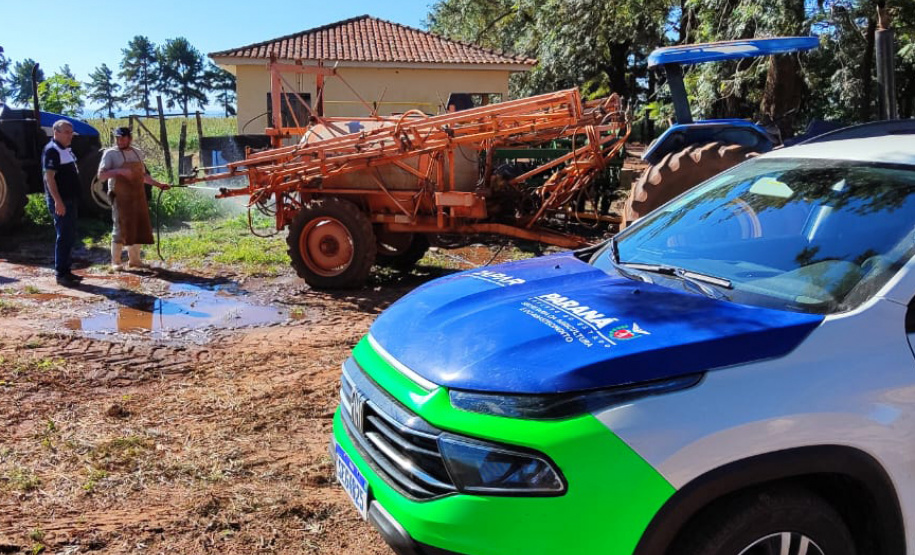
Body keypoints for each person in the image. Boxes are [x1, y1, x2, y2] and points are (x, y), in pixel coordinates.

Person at [97, 127, 169, 270]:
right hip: (119, 195)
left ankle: (135, 261)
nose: (119, 141)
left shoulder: (138, 153)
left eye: (123, 138)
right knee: (120, 226)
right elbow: (101, 175)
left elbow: (143, 176)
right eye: (117, 138)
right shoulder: (110, 154)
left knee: (137, 227)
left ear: (130, 138)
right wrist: (119, 171)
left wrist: (158, 184)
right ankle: (116, 262)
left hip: (137, 194)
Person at [43, 120, 83, 286]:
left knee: (70, 235)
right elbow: (49, 178)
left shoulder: (65, 149)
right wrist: (58, 202)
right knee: (64, 236)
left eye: (71, 132)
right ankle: (61, 274)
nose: (70, 135)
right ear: (56, 132)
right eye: (66, 132)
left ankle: (67, 270)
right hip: (62, 201)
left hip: (70, 200)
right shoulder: (52, 150)